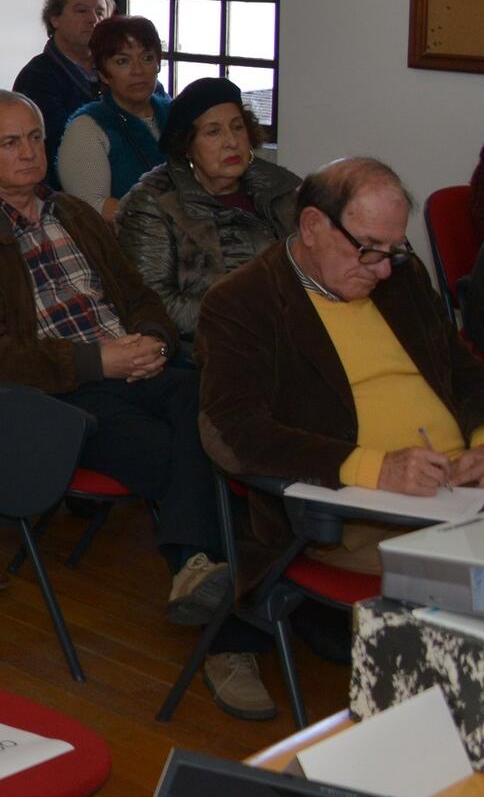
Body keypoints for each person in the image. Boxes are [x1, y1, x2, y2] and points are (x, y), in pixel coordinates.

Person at [0, 91, 236, 626]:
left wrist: (154, 342)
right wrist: (99, 362)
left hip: (135, 366)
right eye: (9, 143)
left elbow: (139, 295)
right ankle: (209, 566)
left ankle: (203, 568)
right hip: (58, 397)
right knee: (190, 447)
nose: (28, 153)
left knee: (213, 404)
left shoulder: (72, 212)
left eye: (34, 138)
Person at [199, 158, 479, 585]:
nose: (383, 268)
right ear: (312, 226)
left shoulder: (399, 275)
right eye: (368, 248)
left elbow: (463, 371)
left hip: (461, 492)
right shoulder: (244, 303)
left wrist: (480, 444)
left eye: (394, 250)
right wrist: (377, 469)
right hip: (355, 511)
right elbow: (239, 433)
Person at [117, 77, 299, 345]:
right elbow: (155, 301)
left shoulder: (282, 188)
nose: (231, 142)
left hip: (292, 333)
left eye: (238, 128)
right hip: (211, 346)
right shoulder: (153, 202)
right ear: (188, 146)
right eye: (213, 132)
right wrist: (250, 318)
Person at [57, 15, 171, 212]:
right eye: (122, 61)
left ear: (158, 65)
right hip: (127, 239)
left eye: (147, 58)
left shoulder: (174, 113)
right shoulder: (87, 128)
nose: (138, 71)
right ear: (102, 73)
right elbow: (92, 206)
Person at [13, 0, 113, 172]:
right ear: (55, 19)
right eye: (81, 11)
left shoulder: (117, 68)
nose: (93, 19)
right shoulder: (37, 78)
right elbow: (64, 141)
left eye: (100, 12)